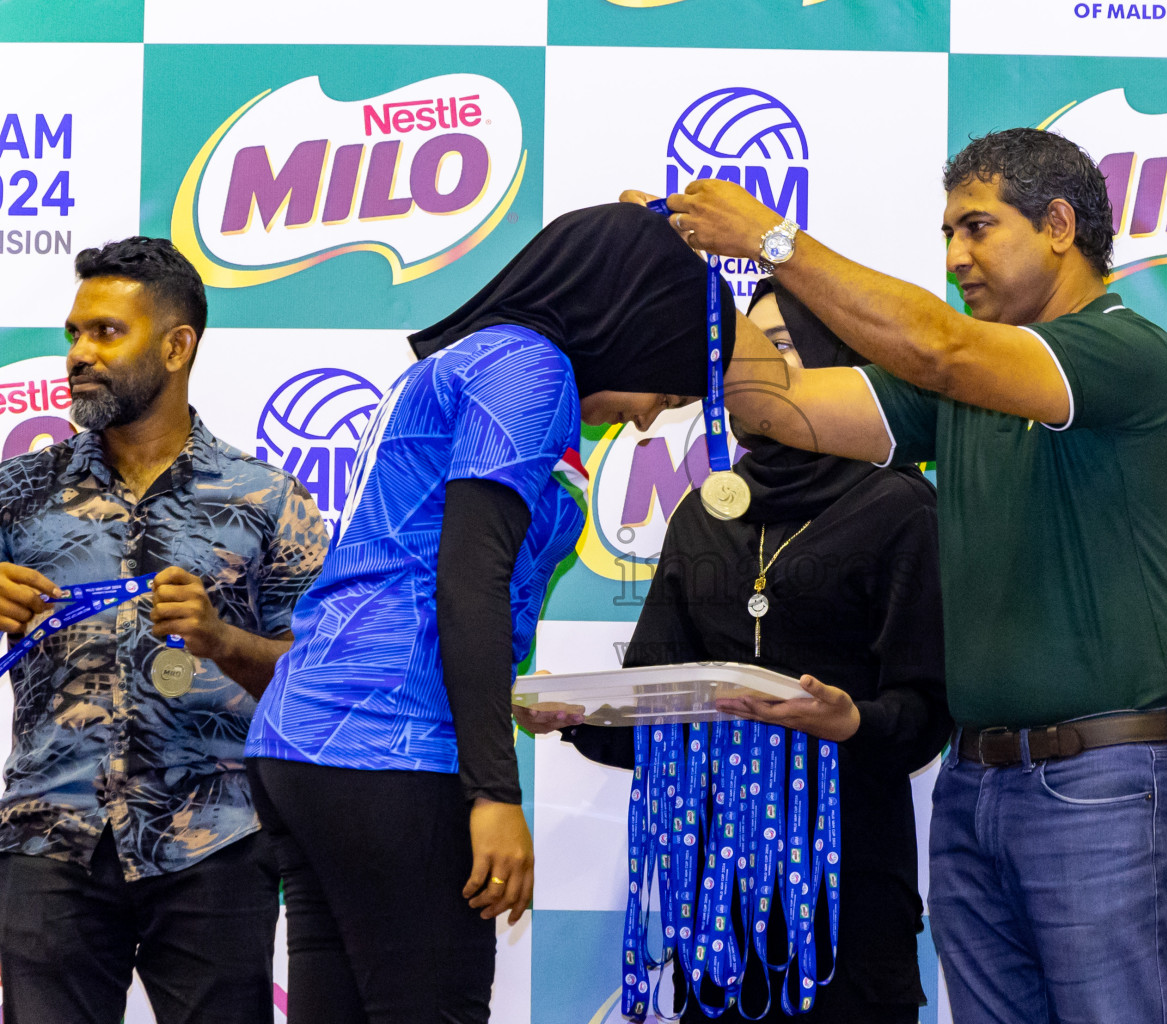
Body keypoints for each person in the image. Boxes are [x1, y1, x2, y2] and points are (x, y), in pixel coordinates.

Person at [636, 125, 1167, 1024]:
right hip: (977, 784)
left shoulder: (1126, 353)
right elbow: (776, 404)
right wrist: (675, 276)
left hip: (1105, 782)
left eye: (976, 228)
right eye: (948, 234)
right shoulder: (970, 384)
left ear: (1059, 224)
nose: (955, 257)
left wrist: (771, 241)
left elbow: (940, 347)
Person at [243, 203, 736, 1024]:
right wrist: (493, 794)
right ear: (629, 318)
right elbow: (466, 579)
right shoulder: (531, 370)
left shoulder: (481, 360)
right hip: (391, 740)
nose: (651, 415)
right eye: (666, 381)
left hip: (305, 741)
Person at [528, 279, 950, 1023]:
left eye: (778, 347)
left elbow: (928, 713)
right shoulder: (706, 512)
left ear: (838, 364)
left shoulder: (901, 505)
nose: (750, 369)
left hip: (849, 889)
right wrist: (580, 714)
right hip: (715, 902)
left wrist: (852, 722)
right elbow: (658, 706)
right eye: (744, 350)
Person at [0, 237, 329, 1024]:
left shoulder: (267, 501)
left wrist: (225, 642)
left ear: (178, 346)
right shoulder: (16, 491)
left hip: (215, 842)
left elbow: (323, 682)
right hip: (50, 839)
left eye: (106, 333)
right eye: (74, 333)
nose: (78, 354)